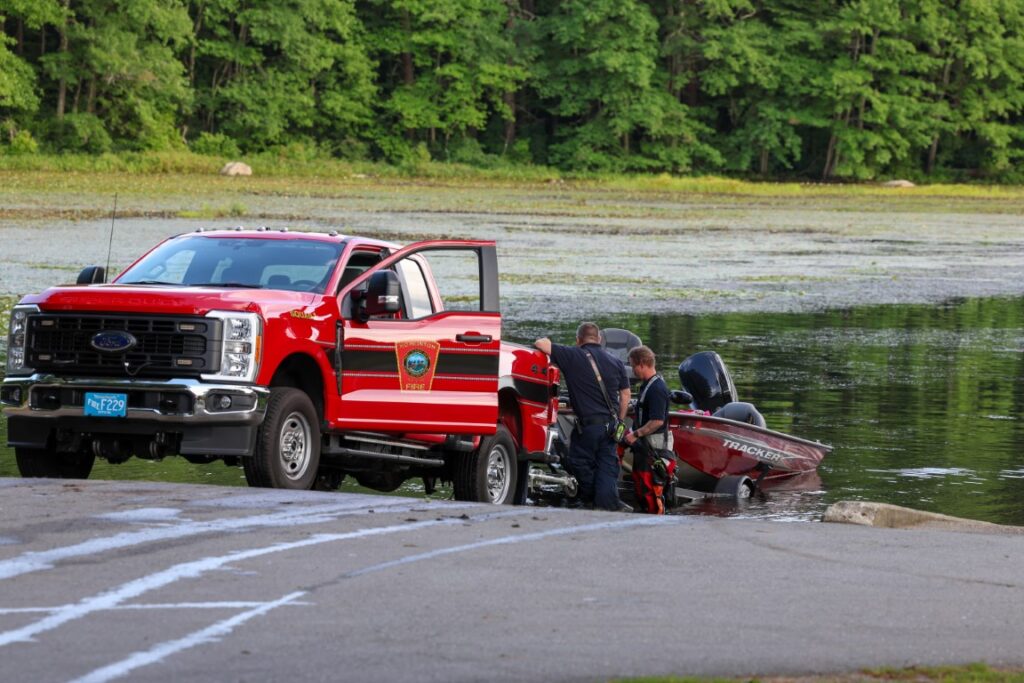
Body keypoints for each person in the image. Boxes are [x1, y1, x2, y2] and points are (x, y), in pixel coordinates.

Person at [535, 323, 630, 511]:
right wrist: (620, 419)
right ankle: (607, 504)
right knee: (607, 467)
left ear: (578, 340)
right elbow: (625, 394)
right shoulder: (616, 362)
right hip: (611, 426)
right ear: (600, 340)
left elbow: (541, 344)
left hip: (588, 427)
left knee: (579, 462)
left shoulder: (572, 355)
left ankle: (590, 500)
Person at [624, 345, 675, 514]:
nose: (633, 370)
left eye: (633, 366)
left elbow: (657, 421)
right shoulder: (646, 386)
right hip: (644, 446)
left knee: (652, 488)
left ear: (642, 364)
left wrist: (635, 434)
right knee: (641, 486)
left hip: (655, 449)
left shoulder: (657, 389)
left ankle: (656, 520)